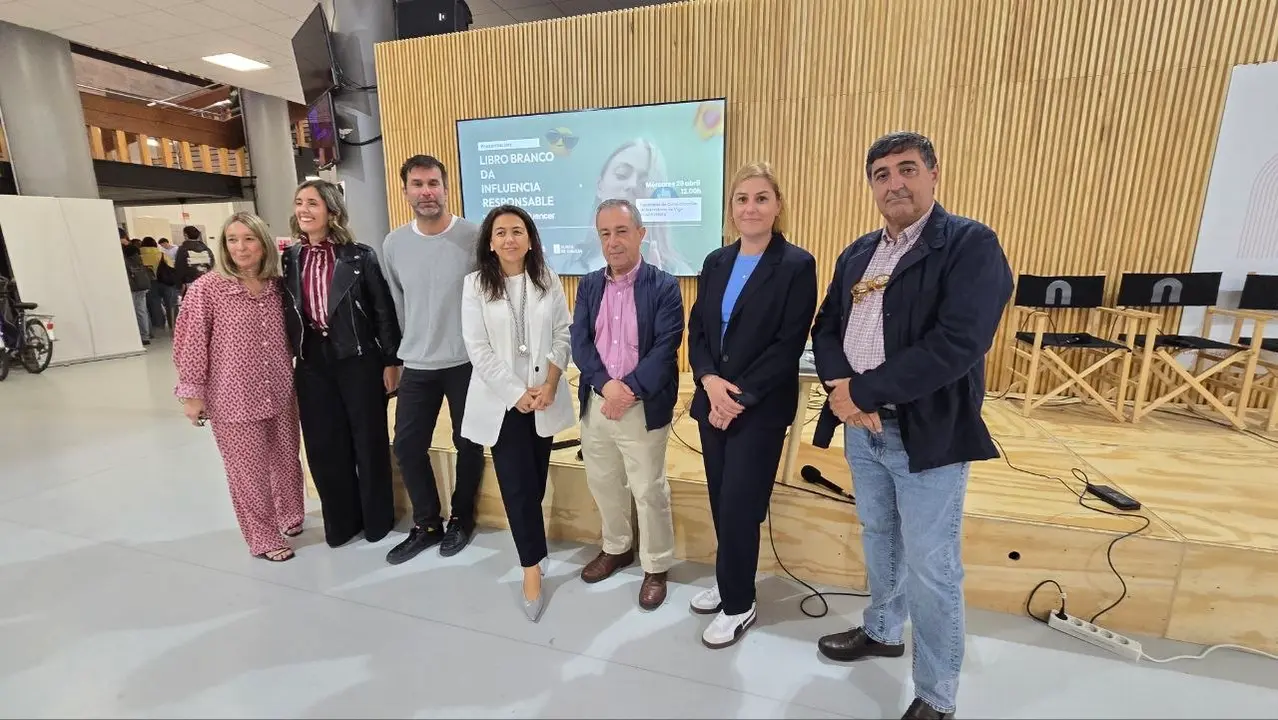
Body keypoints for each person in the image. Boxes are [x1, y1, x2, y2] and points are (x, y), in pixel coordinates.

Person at [809, 132, 1012, 720]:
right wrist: (842, 389)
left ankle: (937, 694)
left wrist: (864, 391)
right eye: (881, 174)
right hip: (861, 427)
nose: (894, 183)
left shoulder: (970, 245)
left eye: (907, 169)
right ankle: (882, 629)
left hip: (927, 431)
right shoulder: (857, 253)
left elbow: (958, 343)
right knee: (879, 536)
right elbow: (826, 326)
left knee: (931, 563)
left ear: (933, 174)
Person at [685, 162, 817, 649]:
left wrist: (736, 397)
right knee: (722, 500)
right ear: (732, 208)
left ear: (778, 205)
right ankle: (728, 583)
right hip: (712, 400)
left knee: (741, 505)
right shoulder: (716, 261)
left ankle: (740, 604)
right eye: (742, 199)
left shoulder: (796, 265)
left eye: (761, 198)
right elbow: (699, 329)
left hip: (756, 409)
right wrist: (709, 380)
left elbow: (788, 344)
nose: (751, 207)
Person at [459, 204, 573, 623]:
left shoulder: (547, 279)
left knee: (535, 482)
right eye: (501, 232)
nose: (509, 239)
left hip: (543, 398)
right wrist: (514, 393)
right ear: (490, 242)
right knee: (516, 487)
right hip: (502, 402)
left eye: (517, 231)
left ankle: (534, 548)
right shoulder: (475, 285)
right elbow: (478, 348)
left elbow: (563, 334)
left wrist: (550, 384)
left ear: (530, 239)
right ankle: (530, 569)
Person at [569, 198, 684, 610]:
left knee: (649, 489)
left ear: (640, 234)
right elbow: (580, 341)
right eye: (605, 233)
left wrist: (627, 390)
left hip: (642, 406)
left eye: (621, 231)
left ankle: (655, 565)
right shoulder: (589, 285)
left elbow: (666, 347)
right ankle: (616, 547)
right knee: (603, 481)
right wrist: (605, 386)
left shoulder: (664, 286)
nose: (613, 241)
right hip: (599, 403)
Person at [172, 212, 305, 562]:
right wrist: (191, 395)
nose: (240, 247)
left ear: (263, 244)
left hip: (279, 390)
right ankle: (263, 536)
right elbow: (190, 344)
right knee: (248, 471)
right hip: (233, 397)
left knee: (286, 459)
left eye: (249, 239)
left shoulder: (278, 286)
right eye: (232, 240)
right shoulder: (207, 289)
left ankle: (290, 514)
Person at [282, 179, 402, 548]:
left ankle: (377, 519)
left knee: (368, 441)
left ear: (332, 211)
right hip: (312, 362)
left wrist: (392, 360)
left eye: (312, 203)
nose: (304, 210)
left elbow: (383, 312)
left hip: (358, 359)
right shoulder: (288, 259)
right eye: (299, 202)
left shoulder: (359, 256)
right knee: (323, 444)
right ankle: (341, 522)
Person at [382, 155, 486, 565]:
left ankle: (462, 518)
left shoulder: (474, 237)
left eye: (433, 183)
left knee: (468, 443)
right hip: (418, 363)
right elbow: (397, 304)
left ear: (445, 188)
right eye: (417, 184)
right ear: (405, 191)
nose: (426, 192)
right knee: (408, 447)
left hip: (465, 362)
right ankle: (427, 524)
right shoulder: (394, 244)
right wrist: (396, 357)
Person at [122, 244, 152, 346]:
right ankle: (146, 335)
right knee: (142, 311)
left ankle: (138, 336)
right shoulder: (140, 260)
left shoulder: (125, 261)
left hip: (133, 288)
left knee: (134, 312)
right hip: (143, 287)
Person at [174, 225, 216, 292]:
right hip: (206, 281)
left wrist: (179, 284)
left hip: (191, 282)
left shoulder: (183, 249)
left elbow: (180, 267)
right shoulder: (206, 249)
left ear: (185, 235)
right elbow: (212, 264)